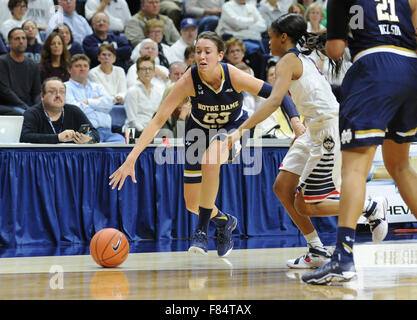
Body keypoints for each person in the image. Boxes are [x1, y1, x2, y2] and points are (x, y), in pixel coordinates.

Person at [109, 31, 301, 258]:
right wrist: (131, 158)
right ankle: (225, 222)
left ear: (220, 55)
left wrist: (296, 122)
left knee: (211, 160)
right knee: (193, 204)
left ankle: (200, 231)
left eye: (207, 52)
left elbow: (279, 95)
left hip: (232, 128)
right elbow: (158, 119)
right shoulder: (189, 80)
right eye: (198, 51)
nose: (201, 56)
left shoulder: (233, 75)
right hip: (198, 130)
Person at [227, 14, 388, 270]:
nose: (267, 43)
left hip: (328, 130)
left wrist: (240, 130)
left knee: (306, 205)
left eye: (270, 37)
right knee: (282, 187)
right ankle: (316, 250)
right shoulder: (303, 54)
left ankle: (369, 206)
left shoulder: (289, 60)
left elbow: (273, 101)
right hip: (313, 129)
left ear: (283, 37)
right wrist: (300, 125)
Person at [301, 0, 417, 285]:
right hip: (410, 68)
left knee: (353, 169)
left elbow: (336, 50)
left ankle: (343, 258)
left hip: (373, 68)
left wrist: (337, 33)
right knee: (400, 166)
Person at [65, 53, 125, 143]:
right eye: (78, 66)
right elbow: (75, 110)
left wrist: (88, 102)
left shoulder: (97, 87)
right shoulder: (65, 87)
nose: (82, 68)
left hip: (109, 132)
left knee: (123, 145)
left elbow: (109, 105)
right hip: (86, 134)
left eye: (85, 66)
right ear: (69, 70)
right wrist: (98, 104)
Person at [20, 77, 100, 144]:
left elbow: (94, 133)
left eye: (62, 92)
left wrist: (89, 139)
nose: (58, 95)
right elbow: (25, 136)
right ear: (42, 96)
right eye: (52, 92)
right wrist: (57, 138)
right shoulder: (32, 113)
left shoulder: (74, 111)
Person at [0, 27, 41, 115]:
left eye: (23, 38)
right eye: (17, 39)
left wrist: (39, 108)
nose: (21, 41)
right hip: (6, 105)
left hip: (27, 106)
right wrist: (26, 108)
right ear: (9, 43)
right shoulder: (2, 62)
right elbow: (5, 91)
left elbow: (37, 92)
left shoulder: (33, 65)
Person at [124, 55, 165, 137]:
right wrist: (145, 131)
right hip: (136, 130)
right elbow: (132, 120)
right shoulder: (132, 91)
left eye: (150, 69)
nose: (147, 71)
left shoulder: (158, 91)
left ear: (154, 72)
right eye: (143, 69)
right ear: (137, 72)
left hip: (154, 130)